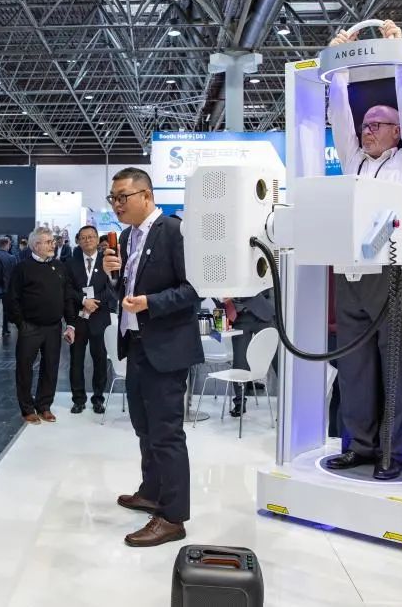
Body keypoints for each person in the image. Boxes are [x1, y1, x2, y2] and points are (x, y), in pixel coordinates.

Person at [324, 20, 402, 481]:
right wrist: (338, 64)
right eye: (366, 125)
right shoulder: (354, 161)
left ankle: (393, 453)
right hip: (350, 273)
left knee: (397, 366)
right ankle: (359, 445)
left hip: (394, 274)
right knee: (354, 367)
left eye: (378, 125)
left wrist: (395, 52)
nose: (367, 131)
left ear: (397, 132)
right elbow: (339, 115)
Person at [102, 167, 202, 548]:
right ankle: (153, 491)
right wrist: (114, 278)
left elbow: (194, 289)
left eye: (122, 197)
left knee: (166, 433)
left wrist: (151, 303)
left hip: (167, 348)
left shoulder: (175, 232)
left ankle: (173, 517)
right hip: (137, 345)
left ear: (146, 195)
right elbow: (125, 293)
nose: (116, 205)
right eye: (113, 198)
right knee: (144, 426)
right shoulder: (129, 237)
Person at [6, 227, 77, 423]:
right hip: (30, 327)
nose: (53, 245)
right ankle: (27, 408)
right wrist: (21, 323)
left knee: (51, 368)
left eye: (52, 241)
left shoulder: (59, 267)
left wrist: (70, 324)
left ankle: (44, 406)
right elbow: (12, 298)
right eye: (48, 242)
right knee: (24, 368)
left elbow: (67, 297)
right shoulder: (22, 268)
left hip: (54, 327)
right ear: (36, 245)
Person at [65, 225, 115, 414]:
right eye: (83, 237)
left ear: (97, 239)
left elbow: (113, 287)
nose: (87, 240)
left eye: (91, 237)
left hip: (99, 317)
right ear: (78, 241)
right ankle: (78, 399)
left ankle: (98, 398)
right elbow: (67, 289)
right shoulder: (70, 263)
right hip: (78, 318)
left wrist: (95, 302)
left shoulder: (107, 261)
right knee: (76, 360)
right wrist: (84, 300)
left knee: (100, 359)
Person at [217, 292, 276, 417]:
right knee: (240, 362)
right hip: (239, 318)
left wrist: (234, 294)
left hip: (261, 314)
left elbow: (265, 288)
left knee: (278, 358)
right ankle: (239, 403)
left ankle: (287, 402)